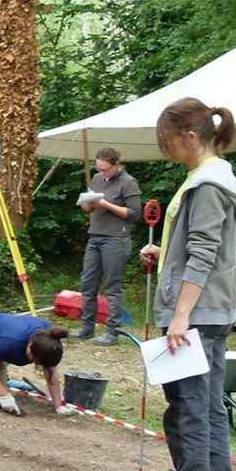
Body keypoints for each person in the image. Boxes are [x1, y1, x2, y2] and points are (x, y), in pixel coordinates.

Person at [138, 97, 236, 471]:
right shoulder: (212, 178)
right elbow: (198, 247)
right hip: (212, 309)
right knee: (207, 407)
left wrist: (181, 315)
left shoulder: (206, 185)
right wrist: (164, 253)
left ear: (190, 137)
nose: (164, 148)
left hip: (197, 314)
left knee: (188, 406)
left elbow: (203, 254)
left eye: (167, 141)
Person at [70, 148, 142, 346]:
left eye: (106, 169)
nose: (103, 173)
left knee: (113, 286)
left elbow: (135, 214)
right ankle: (87, 327)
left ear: (117, 164)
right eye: (99, 169)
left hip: (116, 238)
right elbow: (87, 209)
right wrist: (88, 204)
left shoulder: (128, 183)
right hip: (95, 235)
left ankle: (112, 331)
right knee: (88, 283)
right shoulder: (97, 179)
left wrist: (107, 205)